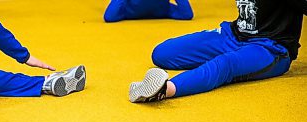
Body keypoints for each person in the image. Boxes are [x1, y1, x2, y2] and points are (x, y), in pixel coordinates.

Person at [129, 0, 306, 103]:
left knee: (225, 64)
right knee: (162, 53)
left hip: (270, 47)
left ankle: (164, 90)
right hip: (234, 34)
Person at [104, 0, 193, 23]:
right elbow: (109, 17)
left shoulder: (166, 10)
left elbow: (187, 15)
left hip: (162, 10)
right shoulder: (125, 11)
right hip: (130, 11)